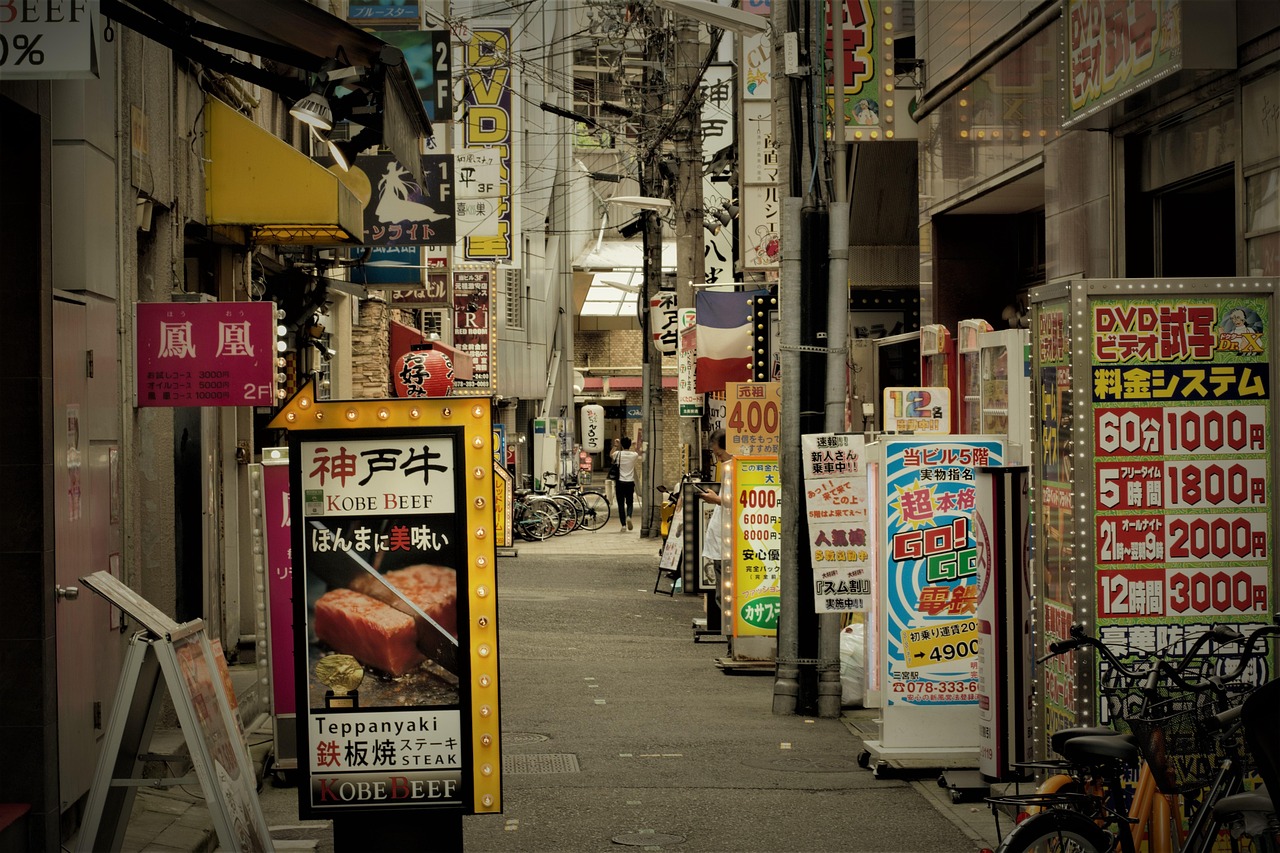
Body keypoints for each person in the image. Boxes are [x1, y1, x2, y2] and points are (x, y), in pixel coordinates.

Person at [696, 429, 733, 588]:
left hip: (728, 546)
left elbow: (741, 502)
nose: (718, 460)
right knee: (721, 594)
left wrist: (717, 499)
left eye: (719, 454)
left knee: (724, 596)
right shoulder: (728, 469)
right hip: (721, 544)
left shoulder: (738, 469)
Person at [611, 436, 643, 531]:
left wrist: (615, 445)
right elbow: (638, 452)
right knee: (629, 502)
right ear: (629, 445)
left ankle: (623, 525)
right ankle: (629, 515)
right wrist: (634, 445)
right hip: (630, 482)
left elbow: (610, 454)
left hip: (620, 482)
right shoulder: (633, 455)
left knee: (620, 504)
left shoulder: (618, 454)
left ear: (622, 445)